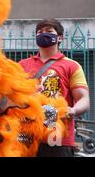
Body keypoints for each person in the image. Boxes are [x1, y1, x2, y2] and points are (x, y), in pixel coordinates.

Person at [19, 18, 90, 157]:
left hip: (57, 137)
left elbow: (83, 98)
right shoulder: (22, 65)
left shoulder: (72, 66)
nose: (43, 34)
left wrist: (73, 110)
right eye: (39, 32)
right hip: (26, 136)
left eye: (49, 31)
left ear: (59, 37)